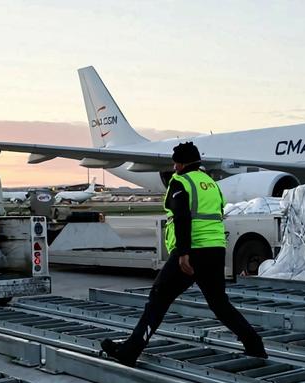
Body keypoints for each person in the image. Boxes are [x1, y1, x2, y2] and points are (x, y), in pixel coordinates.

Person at [100, 142, 267, 366]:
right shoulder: (210, 183)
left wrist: (183, 253)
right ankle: (255, 346)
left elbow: (182, 218)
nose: (174, 165)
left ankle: (130, 351)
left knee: (158, 300)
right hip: (216, 249)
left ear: (179, 164)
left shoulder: (180, 182)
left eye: (175, 162)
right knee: (219, 303)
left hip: (191, 252)